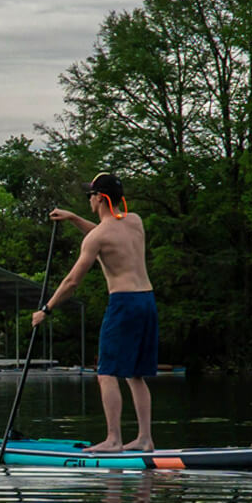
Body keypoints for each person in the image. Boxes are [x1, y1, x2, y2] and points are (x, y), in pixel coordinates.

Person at [32, 173, 158, 453]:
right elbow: (107, 232)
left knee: (106, 373)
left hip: (123, 304)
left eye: (91, 194)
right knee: (135, 374)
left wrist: (46, 309)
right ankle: (145, 438)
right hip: (147, 302)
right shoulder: (134, 222)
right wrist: (75, 218)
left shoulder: (98, 237)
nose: (89, 198)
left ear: (100, 198)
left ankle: (113, 439)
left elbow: (72, 282)